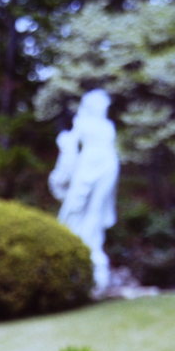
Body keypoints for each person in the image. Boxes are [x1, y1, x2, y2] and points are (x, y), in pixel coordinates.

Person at [48, 89, 120, 293]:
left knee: (97, 209)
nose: (105, 107)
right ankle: (77, 246)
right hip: (87, 165)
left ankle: (93, 248)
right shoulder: (82, 122)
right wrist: (65, 145)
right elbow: (70, 145)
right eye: (101, 104)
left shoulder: (108, 124)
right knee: (75, 207)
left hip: (108, 165)